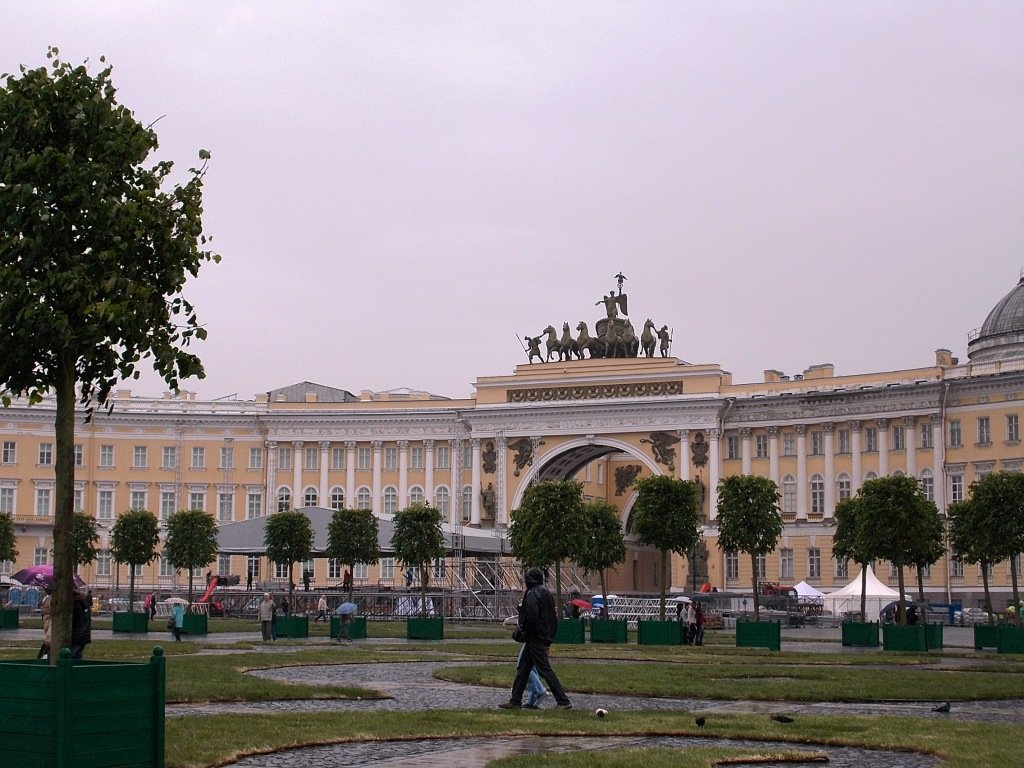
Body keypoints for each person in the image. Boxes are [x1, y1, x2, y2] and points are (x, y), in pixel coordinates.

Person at [499, 567, 572, 710]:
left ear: (529, 581)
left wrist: (523, 632)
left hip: (534, 638)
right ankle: (515, 700)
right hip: (540, 637)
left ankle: (563, 701)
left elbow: (531, 616)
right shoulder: (546, 593)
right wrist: (548, 639)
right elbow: (552, 619)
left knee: (544, 669)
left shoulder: (532, 594)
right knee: (523, 669)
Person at [69, 589, 91, 659]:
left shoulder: (75, 604)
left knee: (72, 656)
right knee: (77, 655)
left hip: (76, 635)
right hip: (82, 634)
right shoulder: (82, 603)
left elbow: (73, 619)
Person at [37, 589, 51, 659]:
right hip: (47, 623)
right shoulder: (47, 598)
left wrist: (48, 638)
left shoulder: (52, 599)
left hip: (50, 625)